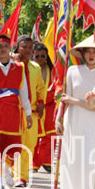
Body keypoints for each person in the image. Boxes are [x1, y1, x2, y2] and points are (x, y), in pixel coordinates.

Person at [59, 35, 95, 189]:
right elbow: (64, 96)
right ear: (82, 53)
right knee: (73, 162)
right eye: (88, 51)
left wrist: (75, 101)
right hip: (74, 121)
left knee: (92, 161)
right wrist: (59, 118)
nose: (91, 55)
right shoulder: (72, 70)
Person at [0, 34, 32, 189]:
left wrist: (29, 113)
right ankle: (0, 179)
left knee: (15, 148)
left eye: (5, 46)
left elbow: (24, 92)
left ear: (10, 48)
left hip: (13, 112)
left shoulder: (19, 68)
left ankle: (8, 169)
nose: (3, 49)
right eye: (0, 46)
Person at [15, 35, 46, 187]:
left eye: (29, 47)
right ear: (17, 48)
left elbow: (40, 87)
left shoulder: (36, 68)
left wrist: (41, 102)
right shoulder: (11, 65)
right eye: (24, 47)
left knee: (29, 144)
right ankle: (19, 177)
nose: (27, 50)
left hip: (31, 113)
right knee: (15, 144)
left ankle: (22, 175)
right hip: (14, 112)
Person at [31, 43, 58, 172]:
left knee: (50, 136)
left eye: (43, 56)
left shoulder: (54, 71)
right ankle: (34, 163)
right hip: (34, 107)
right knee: (34, 136)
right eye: (37, 56)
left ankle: (47, 161)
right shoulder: (29, 69)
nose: (40, 58)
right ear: (33, 56)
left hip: (50, 106)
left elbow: (58, 87)